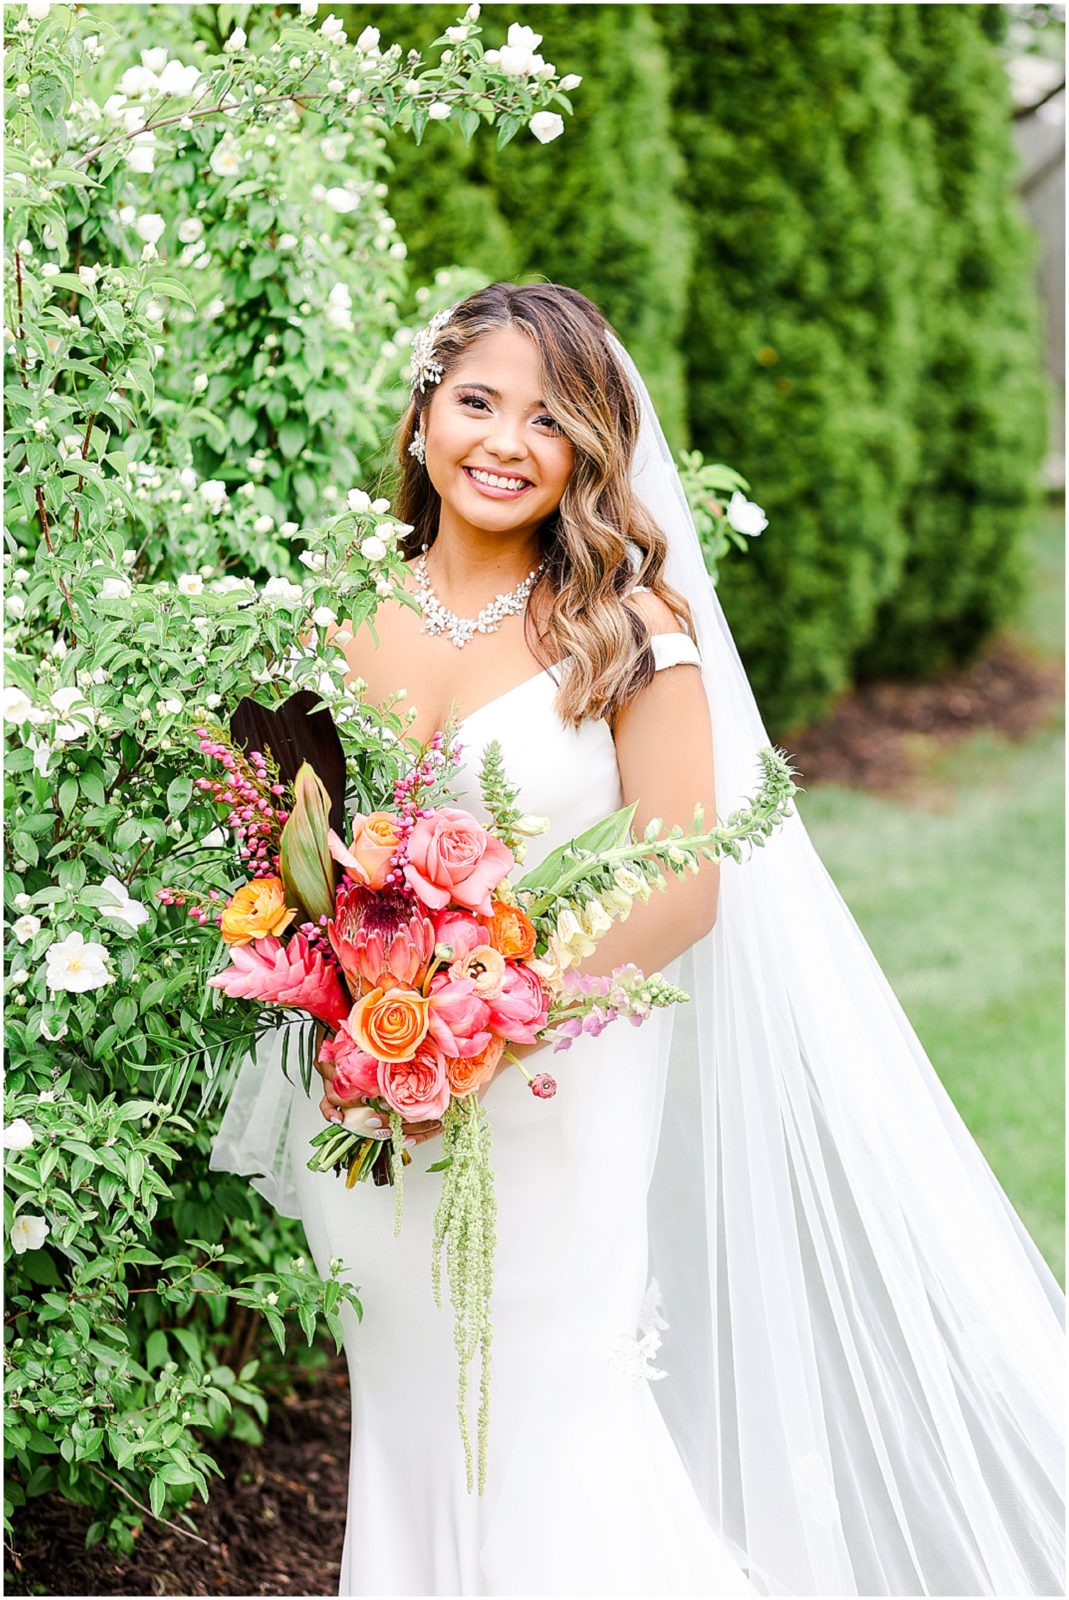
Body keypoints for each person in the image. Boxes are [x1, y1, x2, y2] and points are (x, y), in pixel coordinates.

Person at [211, 282, 1065, 1597]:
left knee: (549, 1413)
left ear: (588, 451)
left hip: (553, 1090)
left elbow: (685, 881)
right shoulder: (329, 619)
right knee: (415, 1417)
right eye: (476, 401)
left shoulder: (624, 632)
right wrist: (344, 995)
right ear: (422, 415)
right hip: (371, 1105)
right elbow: (286, 857)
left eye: (546, 419)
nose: (504, 442)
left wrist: (497, 1017)